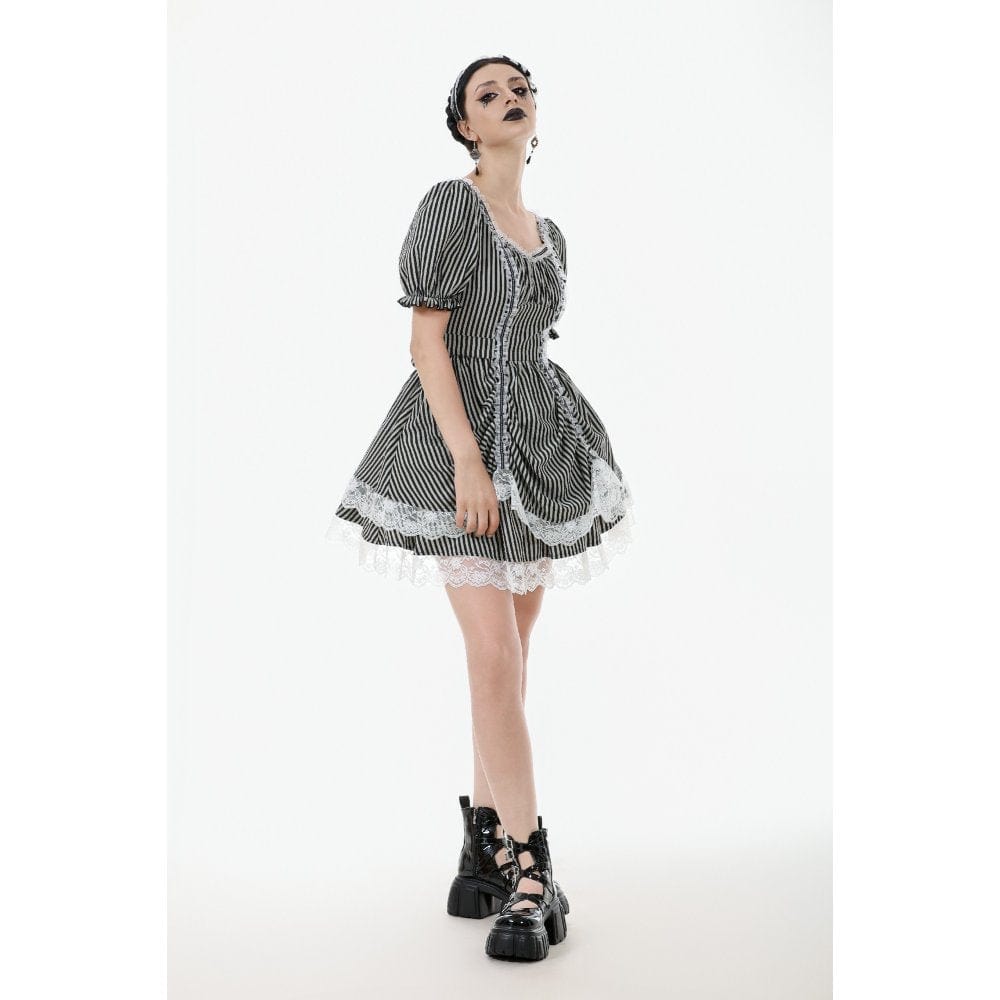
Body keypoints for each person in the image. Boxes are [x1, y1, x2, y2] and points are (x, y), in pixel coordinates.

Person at [325, 55, 636, 962]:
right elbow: (427, 344)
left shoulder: (550, 233)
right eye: (487, 94)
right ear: (465, 126)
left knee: (514, 659)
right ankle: (534, 871)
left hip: (537, 446)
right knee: (493, 655)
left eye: (520, 87)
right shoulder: (449, 207)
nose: (510, 98)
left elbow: (530, 347)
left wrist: (516, 458)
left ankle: (482, 849)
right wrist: (467, 460)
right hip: (459, 446)